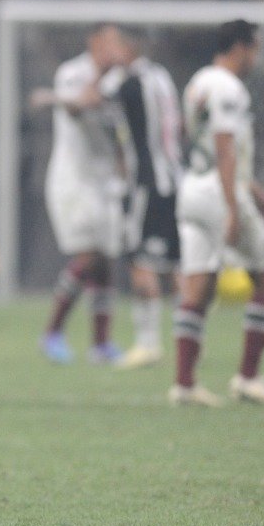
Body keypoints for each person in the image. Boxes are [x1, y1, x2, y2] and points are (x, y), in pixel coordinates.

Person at [170, 19, 264, 407]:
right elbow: (224, 146)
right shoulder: (229, 88)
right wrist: (234, 204)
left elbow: (203, 145)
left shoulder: (198, 82)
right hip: (218, 192)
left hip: (192, 188)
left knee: (198, 285)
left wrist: (255, 192)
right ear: (240, 47)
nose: (256, 57)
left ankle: (184, 384)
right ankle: (249, 378)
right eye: (255, 48)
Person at [30, 23, 129, 365]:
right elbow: (76, 107)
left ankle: (101, 345)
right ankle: (52, 332)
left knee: (104, 262)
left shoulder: (120, 80)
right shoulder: (73, 72)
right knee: (88, 257)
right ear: (94, 42)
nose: (115, 49)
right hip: (74, 180)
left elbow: (119, 131)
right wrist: (101, 74)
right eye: (110, 42)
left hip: (106, 183)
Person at [107, 37, 185, 370]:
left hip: (145, 184)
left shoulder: (129, 84)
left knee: (141, 261)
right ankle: (188, 341)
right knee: (175, 264)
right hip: (175, 180)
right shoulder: (163, 78)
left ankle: (147, 343)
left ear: (129, 48)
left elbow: (100, 102)